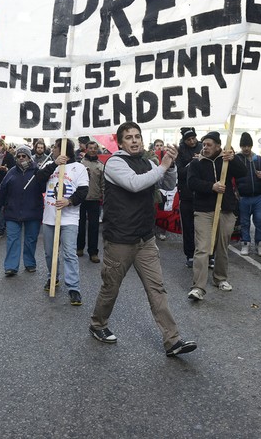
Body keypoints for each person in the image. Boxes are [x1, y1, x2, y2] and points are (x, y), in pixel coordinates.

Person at [89, 122, 197, 357]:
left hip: (145, 239)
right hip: (120, 239)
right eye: (129, 137)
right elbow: (135, 184)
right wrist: (163, 166)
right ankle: (98, 324)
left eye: (137, 136)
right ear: (120, 142)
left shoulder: (148, 162)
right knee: (111, 287)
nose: (135, 141)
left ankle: (172, 340)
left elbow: (167, 184)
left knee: (156, 288)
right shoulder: (115, 163)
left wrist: (170, 165)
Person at [187, 131, 246, 300]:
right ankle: (198, 287)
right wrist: (211, 186)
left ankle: (220, 278)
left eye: (209, 145)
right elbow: (191, 183)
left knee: (222, 246)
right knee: (203, 248)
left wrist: (233, 159)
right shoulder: (197, 163)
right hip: (204, 211)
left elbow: (242, 173)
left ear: (218, 146)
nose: (205, 147)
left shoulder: (226, 160)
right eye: (203, 144)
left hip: (225, 209)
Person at [37, 138, 88, 305]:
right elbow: (38, 180)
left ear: (64, 149)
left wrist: (69, 201)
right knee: (49, 253)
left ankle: (74, 288)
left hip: (69, 219)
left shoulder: (79, 168)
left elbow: (83, 191)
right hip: (49, 217)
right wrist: (54, 164)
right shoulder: (50, 165)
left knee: (69, 253)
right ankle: (53, 278)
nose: (53, 149)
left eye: (56, 147)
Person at [0, 145, 44, 276]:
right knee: (12, 240)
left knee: (31, 239)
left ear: (29, 157)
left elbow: (44, 188)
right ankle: (11, 266)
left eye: (24, 156)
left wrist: (42, 175)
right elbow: (2, 190)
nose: (21, 158)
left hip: (33, 211)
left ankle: (30, 263)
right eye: (19, 156)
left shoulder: (36, 171)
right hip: (12, 212)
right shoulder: (11, 172)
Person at [237, 132, 261, 257]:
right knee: (244, 222)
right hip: (244, 197)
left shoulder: (260, 160)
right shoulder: (237, 159)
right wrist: (237, 191)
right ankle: (245, 243)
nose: (246, 148)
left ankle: (260, 244)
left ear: (251, 146)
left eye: (248, 146)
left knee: (260, 221)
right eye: (243, 146)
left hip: (258, 197)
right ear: (241, 146)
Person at [176, 127, 202, 267]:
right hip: (186, 195)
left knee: (204, 228)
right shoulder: (180, 151)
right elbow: (179, 172)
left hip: (202, 195)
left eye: (194, 138)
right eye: (188, 139)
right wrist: (192, 163)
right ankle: (190, 255)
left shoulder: (203, 146)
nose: (192, 141)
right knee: (188, 227)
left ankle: (208, 255)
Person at [77, 140, 104, 263]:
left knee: (94, 227)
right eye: (90, 148)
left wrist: (103, 196)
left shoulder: (101, 165)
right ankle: (79, 247)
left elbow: (103, 184)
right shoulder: (80, 164)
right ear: (86, 149)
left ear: (97, 149)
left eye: (95, 148)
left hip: (94, 199)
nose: (93, 150)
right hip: (81, 199)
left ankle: (93, 252)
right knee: (80, 225)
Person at [0, 138, 15, 239]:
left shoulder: (9, 156)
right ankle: (0, 226)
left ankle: (0, 228)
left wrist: (6, 169)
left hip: (7, 185)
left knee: (5, 207)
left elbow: (14, 170)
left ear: (1, 146)